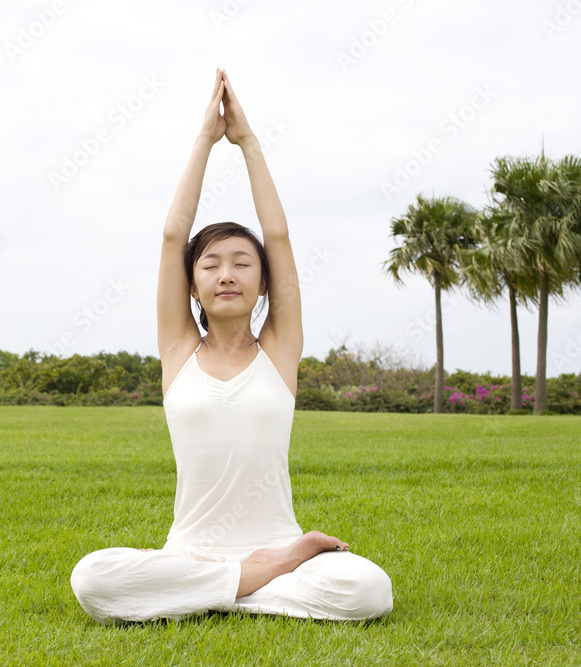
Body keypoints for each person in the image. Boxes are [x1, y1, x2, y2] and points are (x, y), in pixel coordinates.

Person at [70, 69, 393, 624]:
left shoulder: (280, 351)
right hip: (191, 549)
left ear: (263, 282)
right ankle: (248, 582)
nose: (227, 275)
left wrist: (248, 144)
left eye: (242, 264)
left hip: (278, 543)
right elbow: (174, 237)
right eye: (211, 265)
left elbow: (280, 238)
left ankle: (208, 589)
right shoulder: (178, 352)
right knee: (91, 579)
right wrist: (204, 138)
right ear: (191, 282)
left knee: (369, 589)